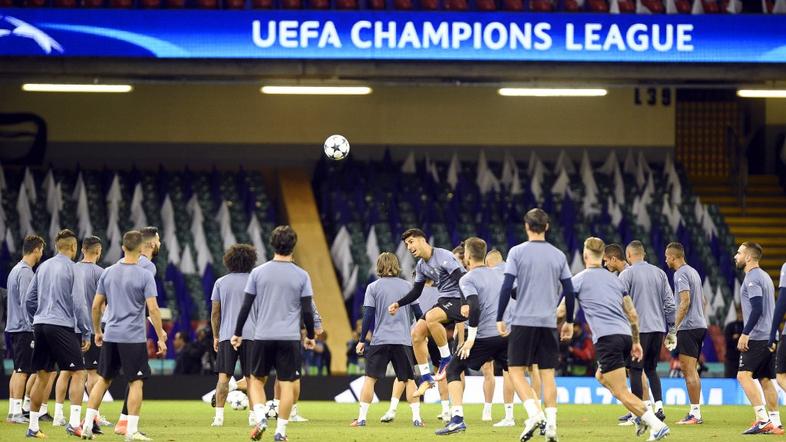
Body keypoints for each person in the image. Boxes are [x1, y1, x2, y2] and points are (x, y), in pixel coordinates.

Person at [572, 237, 670, 441]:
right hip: (627, 335)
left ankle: (654, 423)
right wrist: (635, 342)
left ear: (585, 255)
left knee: (621, 389)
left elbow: (563, 306)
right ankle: (643, 412)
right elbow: (632, 313)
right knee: (601, 375)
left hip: (608, 339)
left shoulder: (579, 279)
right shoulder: (616, 280)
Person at [232, 225, 316, 442]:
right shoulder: (302, 275)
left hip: (262, 336)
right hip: (289, 338)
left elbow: (246, 306)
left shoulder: (258, 273)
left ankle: (260, 418)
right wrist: (311, 335)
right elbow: (307, 309)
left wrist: (237, 332)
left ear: (272, 244)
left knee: (257, 380)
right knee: (286, 384)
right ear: (294, 246)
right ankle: (281, 431)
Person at [496, 208, 575, 442]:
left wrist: (500, 317)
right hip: (548, 322)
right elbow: (569, 291)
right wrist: (569, 321)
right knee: (548, 374)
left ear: (526, 226)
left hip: (522, 321)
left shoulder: (516, 252)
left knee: (516, 371)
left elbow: (506, 286)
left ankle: (534, 414)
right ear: (547, 227)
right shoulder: (559, 255)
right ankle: (551, 425)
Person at [82, 230, 167, 441]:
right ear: (141, 248)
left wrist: (98, 331)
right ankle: (131, 430)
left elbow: (96, 306)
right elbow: (154, 310)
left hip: (110, 334)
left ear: (122, 247)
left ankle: (86, 425)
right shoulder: (145, 274)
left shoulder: (108, 272)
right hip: (133, 337)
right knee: (136, 382)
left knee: (102, 379)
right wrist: (161, 337)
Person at [436, 237, 508, 436]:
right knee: (516, 373)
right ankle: (539, 416)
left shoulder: (467, 278)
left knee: (453, 369)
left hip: (483, 336)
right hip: (504, 335)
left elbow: (474, 307)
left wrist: (470, 339)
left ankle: (457, 418)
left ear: (467, 256)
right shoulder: (498, 275)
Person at [24, 229, 92, 439]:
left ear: (56, 246)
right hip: (62, 326)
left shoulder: (42, 267)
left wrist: (37, 318)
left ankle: (33, 427)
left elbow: (29, 300)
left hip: (41, 324)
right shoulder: (73, 269)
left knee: (42, 377)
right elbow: (80, 305)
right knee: (80, 373)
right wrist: (86, 331)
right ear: (74, 248)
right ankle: (73, 424)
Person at [387, 228, 467, 396]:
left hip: (460, 298)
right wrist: (398, 303)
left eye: (411, 242)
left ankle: (446, 359)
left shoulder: (443, 256)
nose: (409, 247)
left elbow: (462, 279)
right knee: (416, 334)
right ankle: (426, 377)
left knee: (431, 317)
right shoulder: (421, 266)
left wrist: (467, 303)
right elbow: (416, 292)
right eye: (406, 244)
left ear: (422, 240)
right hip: (445, 300)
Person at [351, 252, 423, 428]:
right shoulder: (408, 286)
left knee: (370, 379)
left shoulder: (373, 287)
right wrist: (422, 336)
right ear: (396, 265)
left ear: (379, 266)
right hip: (403, 340)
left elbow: (368, 316)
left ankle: (361, 419)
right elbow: (419, 314)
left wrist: (361, 340)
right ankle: (417, 419)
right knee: (409, 380)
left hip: (380, 339)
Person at [617, 240, 674, 423]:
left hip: (638, 330)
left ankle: (637, 413)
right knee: (651, 369)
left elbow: (619, 302)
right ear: (644, 254)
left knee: (634, 370)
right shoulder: (660, 273)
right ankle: (659, 407)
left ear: (628, 255)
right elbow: (670, 304)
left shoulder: (627, 274)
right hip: (658, 329)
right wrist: (671, 329)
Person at [53, 236, 104, 429]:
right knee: (92, 373)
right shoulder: (101, 273)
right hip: (89, 328)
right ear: (98, 251)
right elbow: (102, 305)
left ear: (81, 249)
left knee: (66, 371)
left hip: (67, 327)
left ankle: (58, 414)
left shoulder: (69, 268)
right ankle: (94, 416)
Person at [115, 226, 161, 435]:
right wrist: (160, 332)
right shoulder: (147, 267)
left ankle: (113, 421)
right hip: (128, 329)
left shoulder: (122, 264)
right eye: (158, 240)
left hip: (114, 324)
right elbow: (148, 303)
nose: (160, 244)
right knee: (136, 377)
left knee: (106, 376)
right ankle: (125, 425)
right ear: (151, 244)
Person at [733, 242, 781, 434]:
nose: (735, 256)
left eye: (739, 253)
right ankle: (775, 423)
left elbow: (758, 307)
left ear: (748, 257)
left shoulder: (752, 278)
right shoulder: (765, 276)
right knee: (766, 379)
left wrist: (746, 333)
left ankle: (762, 419)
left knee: (743, 375)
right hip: (769, 335)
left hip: (758, 336)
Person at [210, 244, 257, 427]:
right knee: (252, 378)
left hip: (227, 335)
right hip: (252, 335)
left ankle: (219, 418)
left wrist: (216, 335)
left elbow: (215, 313)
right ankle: (253, 417)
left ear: (229, 260)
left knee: (223, 378)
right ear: (250, 260)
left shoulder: (221, 282)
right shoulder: (256, 281)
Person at [664, 242, 707, 425]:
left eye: (667, 256)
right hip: (699, 325)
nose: (666, 260)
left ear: (673, 257)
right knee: (693, 371)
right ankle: (695, 412)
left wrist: (674, 328)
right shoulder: (693, 272)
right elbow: (703, 301)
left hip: (688, 328)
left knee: (688, 371)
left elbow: (685, 301)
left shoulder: (680, 273)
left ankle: (695, 414)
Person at [5, 235, 44, 424]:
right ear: (36, 249)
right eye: (41, 250)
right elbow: (27, 302)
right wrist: (33, 325)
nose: (42, 254)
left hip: (14, 326)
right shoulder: (27, 272)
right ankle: (16, 414)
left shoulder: (15, 270)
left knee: (17, 370)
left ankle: (14, 411)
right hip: (24, 328)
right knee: (23, 371)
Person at [725, 307, 744, 378]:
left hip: (744, 357)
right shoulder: (730, 326)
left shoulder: (748, 326)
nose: (741, 315)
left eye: (742, 313)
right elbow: (727, 340)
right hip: (732, 358)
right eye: (739, 313)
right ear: (737, 313)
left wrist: (737, 337)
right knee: (730, 376)